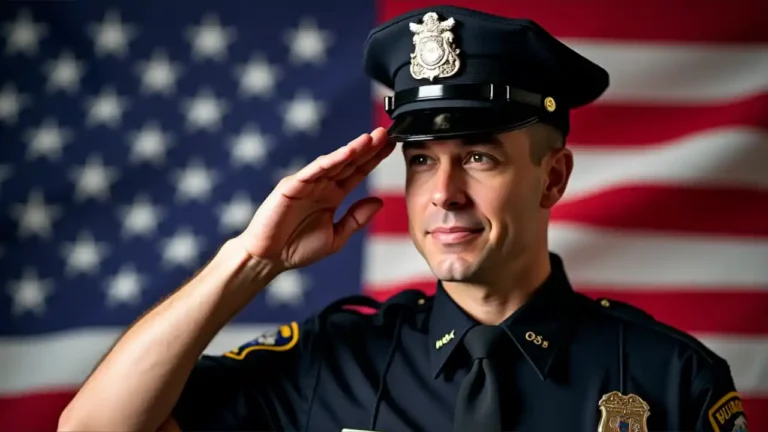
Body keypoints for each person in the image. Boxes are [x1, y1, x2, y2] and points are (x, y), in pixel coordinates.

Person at [58, 5, 748, 432]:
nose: (443, 193)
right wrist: (250, 261)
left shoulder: (669, 379)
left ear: (553, 177)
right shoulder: (332, 364)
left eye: (478, 157)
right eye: (420, 160)